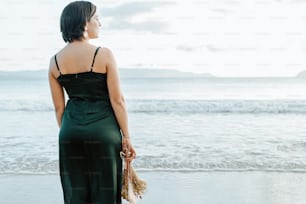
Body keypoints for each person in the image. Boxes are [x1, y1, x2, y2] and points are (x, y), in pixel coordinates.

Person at [48, 1, 136, 203]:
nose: (100, 23)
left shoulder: (54, 61)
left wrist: (72, 130)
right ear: (84, 23)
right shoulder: (103, 54)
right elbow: (117, 100)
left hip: (70, 133)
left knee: (76, 192)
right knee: (105, 192)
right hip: (103, 132)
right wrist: (127, 137)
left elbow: (59, 108)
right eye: (96, 18)